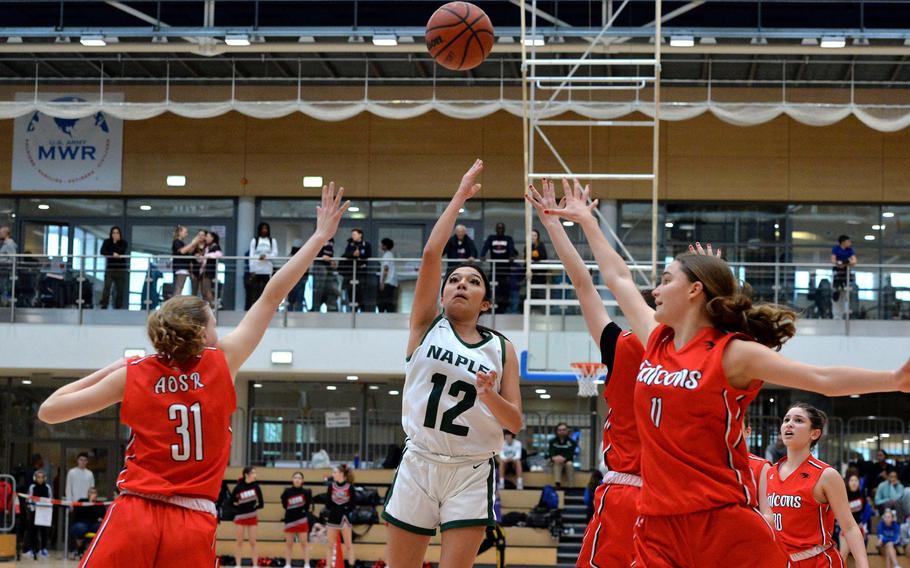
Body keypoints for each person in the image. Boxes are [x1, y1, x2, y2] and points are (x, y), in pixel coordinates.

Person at [539, 179, 910, 567]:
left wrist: (895, 379)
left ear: (695, 290)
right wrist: (586, 221)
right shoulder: (656, 340)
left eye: (666, 281)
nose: (657, 291)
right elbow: (617, 279)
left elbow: (821, 379)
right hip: (658, 522)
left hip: (720, 518)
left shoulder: (731, 353)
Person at [36, 182, 349, 567]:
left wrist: (112, 368)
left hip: (137, 510)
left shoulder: (135, 374)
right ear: (201, 332)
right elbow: (271, 294)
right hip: (194, 517)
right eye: (215, 318)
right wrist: (319, 237)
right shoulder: (223, 361)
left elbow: (49, 410)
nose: (220, 322)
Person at [383, 160, 522, 568]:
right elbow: (431, 253)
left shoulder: (501, 348)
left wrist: (488, 396)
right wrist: (460, 195)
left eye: (474, 281)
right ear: (443, 293)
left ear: (487, 303)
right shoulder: (427, 326)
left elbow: (514, 422)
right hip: (419, 462)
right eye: (455, 279)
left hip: (470, 469)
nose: (462, 283)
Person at [528, 178, 646, 568]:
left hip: (636, 494)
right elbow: (584, 286)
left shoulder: (687, 353)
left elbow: (584, 286)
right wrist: (554, 227)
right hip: (659, 496)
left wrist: (554, 226)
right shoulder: (632, 345)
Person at [767, 403, 868, 568]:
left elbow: (849, 527)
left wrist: (864, 566)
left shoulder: (826, 475)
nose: (789, 424)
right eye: (786, 419)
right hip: (780, 561)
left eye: (798, 420)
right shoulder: (769, 472)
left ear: (814, 433)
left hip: (817, 562)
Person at [480, 223, 517, 313]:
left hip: (505, 270)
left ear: (504, 229)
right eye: (498, 228)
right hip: (494, 269)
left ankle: (503, 308)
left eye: (502, 228)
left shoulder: (508, 239)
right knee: (490, 287)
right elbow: (485, 247)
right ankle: (489, 307)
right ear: (496, 229)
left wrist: (512, 255)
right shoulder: (491, 238)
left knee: (504, 289)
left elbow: (512, 249)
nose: (500, 229)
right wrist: (482, 255)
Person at [232, 466, 264, 567]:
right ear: (246, 475)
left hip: (252, 516)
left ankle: (255, 565)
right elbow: (230, 502)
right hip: (240, 517)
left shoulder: (256, 487)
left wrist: (254, 507)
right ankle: (238, 565)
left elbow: (261, 504)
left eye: (255, 473)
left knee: (253, 542)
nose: (255, 475)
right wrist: (237, 508)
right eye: (253, 473)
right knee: (239, 542)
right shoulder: (238, 487)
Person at [325, 464, 356, 568]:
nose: (332, 474)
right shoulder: (331, 487)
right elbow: (328, 503)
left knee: (348, 545)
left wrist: (344, 510)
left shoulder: (349, 487)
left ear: (341, 474)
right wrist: (335, 510)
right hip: (333, 518)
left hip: (345, 519)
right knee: (330, 545)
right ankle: (328, 566)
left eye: (334, 472)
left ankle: (351, 565)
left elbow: (353, 504)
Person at [281, 472, 312, 568]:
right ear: (292, 479)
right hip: (289, 520)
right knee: (289, 544)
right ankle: (287, 564)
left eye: (299, 478)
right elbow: (284, 505)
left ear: (302, 480)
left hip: (302, 520)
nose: (297, 479)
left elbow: (307, 507)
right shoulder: (287, 491)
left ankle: (307, 564)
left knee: (304, 544)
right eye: (295, 477)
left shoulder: (306, 492)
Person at [841, 473, 871, 564]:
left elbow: (867, 512)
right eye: (852, 480)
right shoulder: (843, 495)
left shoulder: (862, 495)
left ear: (859, 482)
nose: (854, 483)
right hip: (846, 528)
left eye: (856, 480)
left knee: (859, 557)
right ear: (848, 482)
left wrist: (864, 525)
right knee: (843, 555)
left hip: (858, 528)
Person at [247, 222, 278, 308]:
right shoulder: (255, 240)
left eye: (266, 229)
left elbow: (275, 254)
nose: (264, 230)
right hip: (257, 269)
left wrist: (266, 256)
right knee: (255, 289)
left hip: (267, 269)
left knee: (266, 288)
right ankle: (255, 306)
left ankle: (266, 305)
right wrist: (252, 269)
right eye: (262, 229)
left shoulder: (272, 241)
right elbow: (251, 255)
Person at [71, 487, 107, 558]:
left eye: (95, 493)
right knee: (80, 528)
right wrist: (90, 503)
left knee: (102, 528)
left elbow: (103, 515)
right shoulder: (82, 501)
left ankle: (98, 551)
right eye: (92, 492)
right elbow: (79, 513)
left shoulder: (99, 504)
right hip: (82, 522)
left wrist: (101, 519)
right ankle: (80, 550)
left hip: (94, 524)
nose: (94, 494)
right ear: (88, 494)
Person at [341, 229, 372, 312]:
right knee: (351, 291)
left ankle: (362, 310)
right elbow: (345, 254)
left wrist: (360, 255)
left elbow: (369, 255)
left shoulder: (366, 245)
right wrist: (353, 254)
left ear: (360, 235)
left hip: (361, 272)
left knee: (361, 292)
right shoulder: (350, 244)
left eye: (354, 234)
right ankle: (351, 310)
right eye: (352, 235)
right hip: (351, 272)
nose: (353, 236)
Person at [99, 226, 129, 309]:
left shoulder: (124, 242)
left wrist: (115, 242)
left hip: (121, 269)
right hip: (110, 268)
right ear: (111, 234)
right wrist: (112, 254)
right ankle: (104, 304)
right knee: (107, 287)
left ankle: (118, 306)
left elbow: (121, 251)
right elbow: (102, 251)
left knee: (120, 289)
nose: (115, 234)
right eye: (114, 233)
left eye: (117, 233)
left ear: (120, 234)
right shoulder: (107, 242)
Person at [27, 469, 52, 559]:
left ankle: (43, 548)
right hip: (34, 512)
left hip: (45, 512)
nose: (40, 479)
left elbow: (50, 498)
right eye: (38, 477)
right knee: (33, 531)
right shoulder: (32, 487)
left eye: (42, 477)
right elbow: (29, 498)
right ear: (35, 478)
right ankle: (33, 548)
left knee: (44, 531)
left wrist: (48, 507)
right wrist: (32, 508)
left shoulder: (48, 487)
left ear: (44, 478)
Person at [171, 225, 202, 297]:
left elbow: (188, 250)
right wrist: (193, 243)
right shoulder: (177, 242)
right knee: (178, 288)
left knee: (179, 288)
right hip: (180, 267)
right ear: (179, 232)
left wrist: (194, 243)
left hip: (183, 267)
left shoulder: (181, 242)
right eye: (185, 232)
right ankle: (175, 305)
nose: (186, 234)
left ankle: (176, 304)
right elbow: (183, 251)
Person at [831, 235, 857, 320]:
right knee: (837, 295)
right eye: (848, 241)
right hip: (837, 274)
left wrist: (844, 264)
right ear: (843, 242)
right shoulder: (836, 249)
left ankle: (843, 314)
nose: (850, 243)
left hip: (846, 274)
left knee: (845, 294)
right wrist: (839, 264)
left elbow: (854, 261)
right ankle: (836, 315)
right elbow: (833, 260)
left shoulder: (850, 250)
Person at [311, 237, 339, 312]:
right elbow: (313, 251)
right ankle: (316, 307)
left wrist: (332, 260)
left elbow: (330, 253)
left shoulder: (331, 240)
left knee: (331, 288)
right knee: (319, 288)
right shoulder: (319, 237)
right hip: (320, 265)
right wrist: (321, 257)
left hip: (328, 267)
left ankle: (332, 308)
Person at [548, 423, 577, 489]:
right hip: (555, 462)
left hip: (567, 461)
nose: (562, 431)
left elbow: (571, 454)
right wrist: (554, 458)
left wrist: (564, 458)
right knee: (557, 463)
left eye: (564, 430)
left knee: (569, 464)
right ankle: (557, 484)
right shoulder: (552, 441)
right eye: (560, 430)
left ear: (567, 431)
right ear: (556, 431)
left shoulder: (572, 442)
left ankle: (571, 486)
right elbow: (551, 453)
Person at [200, 231, 223, 309]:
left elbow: (219, 255)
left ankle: (212, 306)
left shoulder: (215, 246)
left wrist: (207, 255)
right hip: (205, 270)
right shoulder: (207, 247)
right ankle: (207, 306)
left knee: (207, 289)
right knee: (204, 290)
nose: (206, 238)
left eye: (208, 236)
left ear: (212, 238)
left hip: (210, 270)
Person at [378, 238, 399, 313]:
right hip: (391, 282)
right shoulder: (390, 255)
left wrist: (382, 282)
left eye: (382, 245)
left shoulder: (387, 255)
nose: (380, 246)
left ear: (385, 246)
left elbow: (386, 269)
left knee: (384, 302)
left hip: (388, 282)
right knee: (388, 301)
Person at [0, 225, 18, 306]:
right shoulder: (5, 244)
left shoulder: (9, 244)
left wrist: (2, 262)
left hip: (6, 272)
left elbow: (13, 259)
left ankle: (5, 308)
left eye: (0, 233)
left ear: (5, 233)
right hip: (3, 271)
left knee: (4, 290)